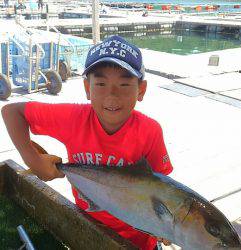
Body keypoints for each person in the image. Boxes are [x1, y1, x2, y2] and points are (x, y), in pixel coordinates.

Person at [1, 35, 173, 250]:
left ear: (141, 90)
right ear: (87, 88)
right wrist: (32, 159)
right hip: (87, 229)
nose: (112, 94)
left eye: (124, 83)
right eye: (100, 83)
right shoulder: (74, 118)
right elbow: (11, 111)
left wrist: (166, 226)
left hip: (139, 241)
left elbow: (162, 189)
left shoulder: (150, 131)